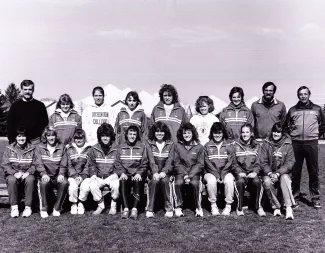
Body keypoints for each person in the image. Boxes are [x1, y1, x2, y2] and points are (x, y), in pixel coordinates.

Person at [285, 86, 325, 209]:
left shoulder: (317, 109)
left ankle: (315, 198)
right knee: (296, 171)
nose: (303, 96)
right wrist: (292, 135)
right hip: (296, 143)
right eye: (301, 94)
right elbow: (286, 126)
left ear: (309, 95)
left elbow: (323, 124)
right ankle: (294, 196)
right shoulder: (292, 110)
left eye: (305, 94)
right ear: (298, 96)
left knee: (313, 171)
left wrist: (316, 134)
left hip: (311, 143)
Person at [260, 123, 295, 220]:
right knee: (266, 181)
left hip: (283, 173)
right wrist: (270, 173)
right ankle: (276, 207)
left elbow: (290, 162)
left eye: (278, 132)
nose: (275, 134)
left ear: (282, 133)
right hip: (269, 173)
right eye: (274, 131)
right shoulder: (266, 143)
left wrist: (278, 173)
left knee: (284, 178)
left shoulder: (288, 144)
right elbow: (263, 161)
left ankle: (288, 208)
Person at [168, 122, 204, 217]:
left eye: (189, 133)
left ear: (193, 133)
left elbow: (200, 164)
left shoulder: (199, 147)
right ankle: (178, 207)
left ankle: (198, 207)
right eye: (184, 133)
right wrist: (184, 174)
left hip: (194, 173)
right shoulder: (177, 145)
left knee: (195, 183)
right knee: (178, 183)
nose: (186, 135)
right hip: (181, 172)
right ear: (181, 134)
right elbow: (176, 162)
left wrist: (190, 175)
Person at [114, 125, 149, 219]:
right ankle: (125, 209)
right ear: (127, 135)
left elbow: (144, 163)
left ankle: (134, 209)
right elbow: (117, 163)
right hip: (126, 174)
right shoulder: (120, 147)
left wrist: (139, 173)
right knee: (122, 181)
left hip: (137, 174)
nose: (132, 136)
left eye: (134, 134)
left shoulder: (142, 146)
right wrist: (122, 173)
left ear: (137, 135)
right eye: (130, 134)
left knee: (138, 181)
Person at [1, 127, 36, 218]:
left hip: (26, 174)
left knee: (31, 179)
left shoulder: (32, 149)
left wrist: (28, 172)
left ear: (26, 137)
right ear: (16, 137)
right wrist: (14, 173)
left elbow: (36, 164)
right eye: (19, 136)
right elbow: (5, 164)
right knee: (12, 180)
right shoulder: (9, 148)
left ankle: (28, 207)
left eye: (23, 136)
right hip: (13, 174)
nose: (21, 138)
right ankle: (14, 207)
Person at [35, 126, 69, 218]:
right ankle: (44, 208)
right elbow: (38, 163)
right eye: (48, 135)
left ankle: (57, 208)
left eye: (53, 135)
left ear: (56, 136)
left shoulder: (62, 147)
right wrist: (43, 174)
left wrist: (61, 174)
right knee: (43, 183)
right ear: (45, 136)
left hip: (57, 176)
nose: (51, 138)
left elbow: (64, 163)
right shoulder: (39, 147)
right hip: (45, 176)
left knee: (65, 182)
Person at [87, 123, 120, 215]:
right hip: (99, 177)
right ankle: (101, 205)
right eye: (103, 136)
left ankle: (113, 205)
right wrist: (93, 174)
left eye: (107, 136)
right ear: (99, 137)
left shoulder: (117, 149)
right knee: (92, 184)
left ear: (111, 137)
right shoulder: (94, 148)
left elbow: (119, 164)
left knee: (117, 184)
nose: (105, 138)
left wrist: (116, 174)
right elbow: (91, 164)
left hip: (111, 177)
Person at [233, 123, 266, 217]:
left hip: (252, 172)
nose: (245, 134)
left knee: (257, 182)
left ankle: (258, 206)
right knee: (239, 182)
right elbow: (234, 163)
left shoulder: (257, 145)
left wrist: (255, 172)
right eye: (243, 132)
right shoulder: (235, 145)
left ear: (251, 133)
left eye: (247, 132)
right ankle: (239, 207)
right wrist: (239, 172)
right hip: (241, 173)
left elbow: (259, 161)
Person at [203, 122, 235, 216]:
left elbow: (230, 161)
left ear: (223, 133)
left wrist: (222, 174)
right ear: (212, 133)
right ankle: (213, 205)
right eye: (215, 133)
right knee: (211, 180)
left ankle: (228, 205)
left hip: (226, 171)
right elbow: (207, 162)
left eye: (220, 132)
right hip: (211, 172)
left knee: (229, 180)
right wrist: (217, 175)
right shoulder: (207, 146)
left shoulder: (229, 145)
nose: (217, 135)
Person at [145, 122, 175, 218]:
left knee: (165, 181)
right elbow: (151, 160)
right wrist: (155, 172)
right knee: (154, 181)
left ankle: (169, 208)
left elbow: (170, 161)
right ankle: (150, 209)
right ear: (153, 132)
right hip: (153, 172)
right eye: (157, 131)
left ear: (165, 132)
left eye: (161, 131)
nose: (159, 134)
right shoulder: (150, 143)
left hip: (166, 172)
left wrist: (164, 172)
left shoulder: (170, 144)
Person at [7, 80, 48, 145]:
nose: (27, 92)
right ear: (22, 90)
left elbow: (45, 123)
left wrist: (43, 138)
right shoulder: (15, 106)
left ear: (33, 90)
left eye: (30, 89)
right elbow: (10, 124)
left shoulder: (40, 105)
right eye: (25, 89)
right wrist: (11, 140)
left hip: (35, 141)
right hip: (20, 140)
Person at [66, 128, 92, 215]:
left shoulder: (89, 149)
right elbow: (69, 165)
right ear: (74, 139)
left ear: (84, 138)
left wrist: (82, 177)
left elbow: (88, 165)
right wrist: (75, 176)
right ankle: (73, 204)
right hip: (73, 175)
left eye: (81, 138)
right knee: (72, 186)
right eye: (77, 138)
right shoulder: (69, 149)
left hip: (85, 175)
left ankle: (81, 203)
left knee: (85, 186)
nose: (79, 140)